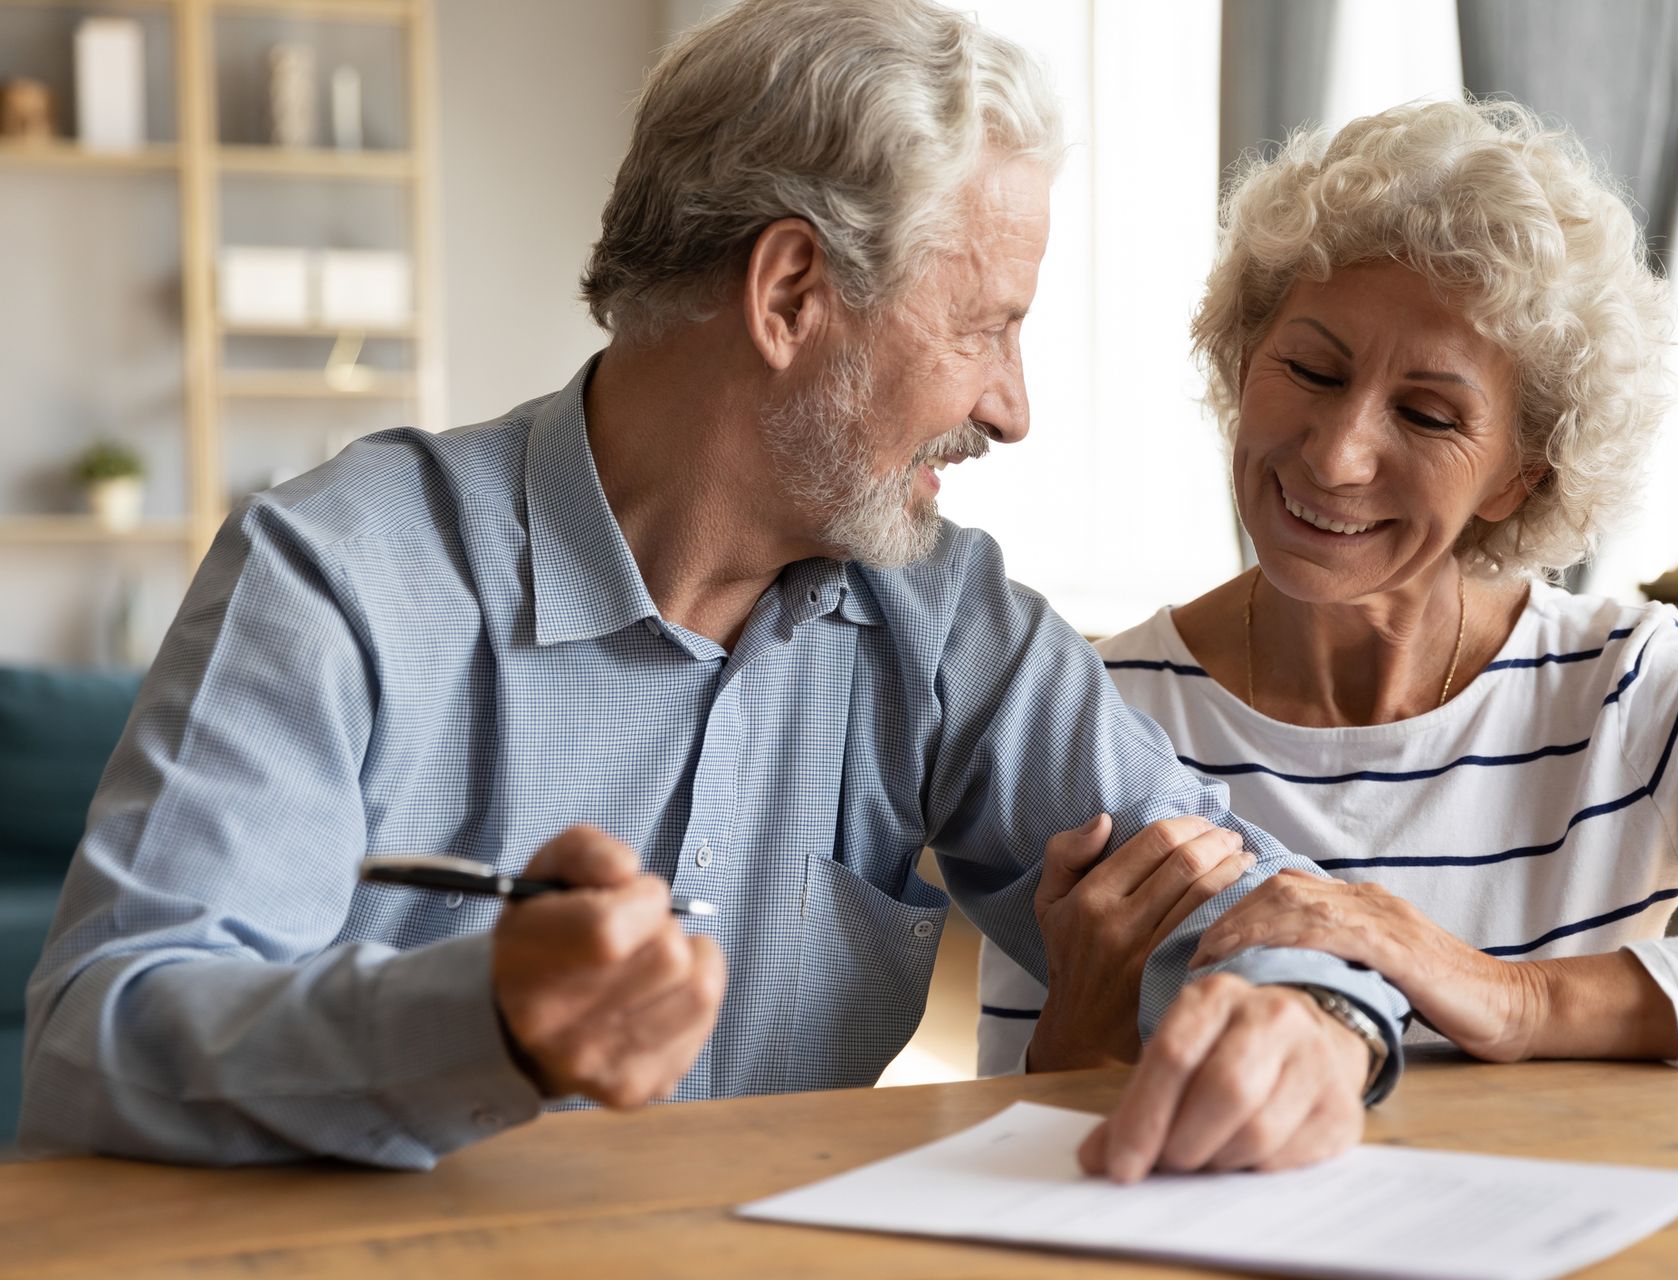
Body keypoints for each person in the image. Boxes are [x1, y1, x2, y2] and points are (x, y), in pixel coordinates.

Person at [22, 0, 1408, 1176]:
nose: (1013, 407)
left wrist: (1314, 1019)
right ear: (793, 291)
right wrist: (480, 1021)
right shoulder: (340, 574)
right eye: (984, 326)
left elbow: (1241, 887)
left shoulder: (940, 612)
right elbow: (100, 1041)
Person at [980, 98, 1678, 1076]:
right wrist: (1084, 1033)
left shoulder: (1628, 693)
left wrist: (1516, 995)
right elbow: (1001, 1176)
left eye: (1427, 416)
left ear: (1523, 473)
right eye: (1309, 368)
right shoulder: (1089, 712)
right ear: (1243, 355)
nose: (1338, 456)